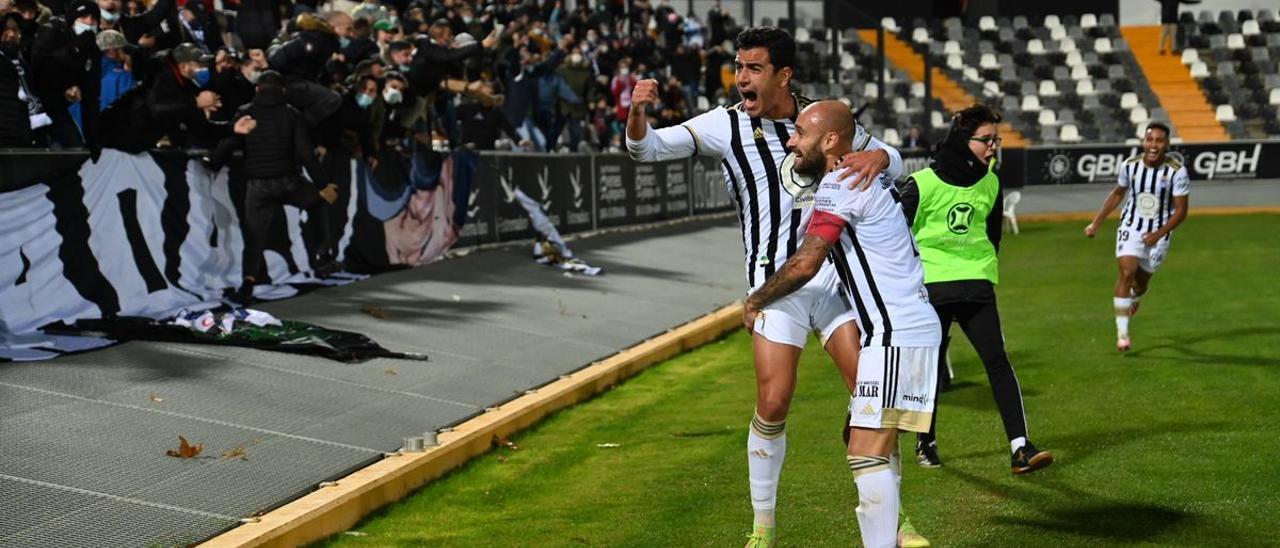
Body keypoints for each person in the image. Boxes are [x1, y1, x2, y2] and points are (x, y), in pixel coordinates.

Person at [625, 27, 926, 548]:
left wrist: (883, 158)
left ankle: (895, 522)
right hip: (774, 283)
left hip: (834, 281)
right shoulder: (725, 124)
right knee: (775, 399)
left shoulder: (823, 121)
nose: (742, 77)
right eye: (739, 67)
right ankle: (763, 525)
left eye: (754, 68)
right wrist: (637, 113)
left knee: (869, 397)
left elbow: (898, 158)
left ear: (783, 74)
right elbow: (646, 150)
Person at [744, 100, 942, 548]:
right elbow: (890, 159)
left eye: (798, 133)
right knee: (866, 447)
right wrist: (883, 155)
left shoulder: (839, 184)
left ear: (830, 141)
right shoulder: (868, 173)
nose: (791, 142)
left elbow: (807, 262)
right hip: (900, 331)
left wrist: (756, 299)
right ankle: (896, 532)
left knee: (866, 453)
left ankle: (889, 536)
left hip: (896, 334)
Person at [897, 104, 1053, 475]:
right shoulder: (921, 184)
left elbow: (993, 235)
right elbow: (897, 239)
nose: (993, 147)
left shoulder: (991, 182)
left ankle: (1020, 447)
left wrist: (975, 269)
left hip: (976, 286)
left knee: (997, 361)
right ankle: (926, 439)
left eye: (995, 140)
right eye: (986, 140)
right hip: (931, 289)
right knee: (929, 369)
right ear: (963, 139)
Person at [207, 70, 340, 304]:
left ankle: (248, 282)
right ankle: (322, 255)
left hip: (257, 186)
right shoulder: (291, 114)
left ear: (257, 89)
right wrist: (323, 185)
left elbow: (229, 142)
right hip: (289, 181)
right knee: (318, 204)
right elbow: (306, 154)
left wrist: (214, 163)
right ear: (283, 91)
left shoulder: (246, 112)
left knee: (254, 237)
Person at [1084, 122, 1189, 352]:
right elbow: (1118, 194)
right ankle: (1123, 335)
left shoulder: (1176, 171)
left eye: (1159, 141)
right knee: (1127, 272)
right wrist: (1096, 223)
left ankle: (1133, 297)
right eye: (1149, 140)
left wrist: (1157, 234)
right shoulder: (1130, 166)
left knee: (1140, 284)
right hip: (1131, 226)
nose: (1153, 145)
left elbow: (1181, 211)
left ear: (1167, 144)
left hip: (1159, 234)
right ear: (1144, 142)